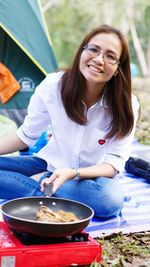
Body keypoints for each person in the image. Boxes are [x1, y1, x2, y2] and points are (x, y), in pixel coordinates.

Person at [0, 24, 139, 218]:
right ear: (82, 51)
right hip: (47, 165)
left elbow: (114, 164)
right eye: (93, 49)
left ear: (117, 68)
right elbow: (25, 136)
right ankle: (46, 184)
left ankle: (39, 186)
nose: (99, 59)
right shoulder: (53, 86)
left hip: (91, 179)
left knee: (109, 200)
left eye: (110, 56)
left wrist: (74, 173)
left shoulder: (127, 104)